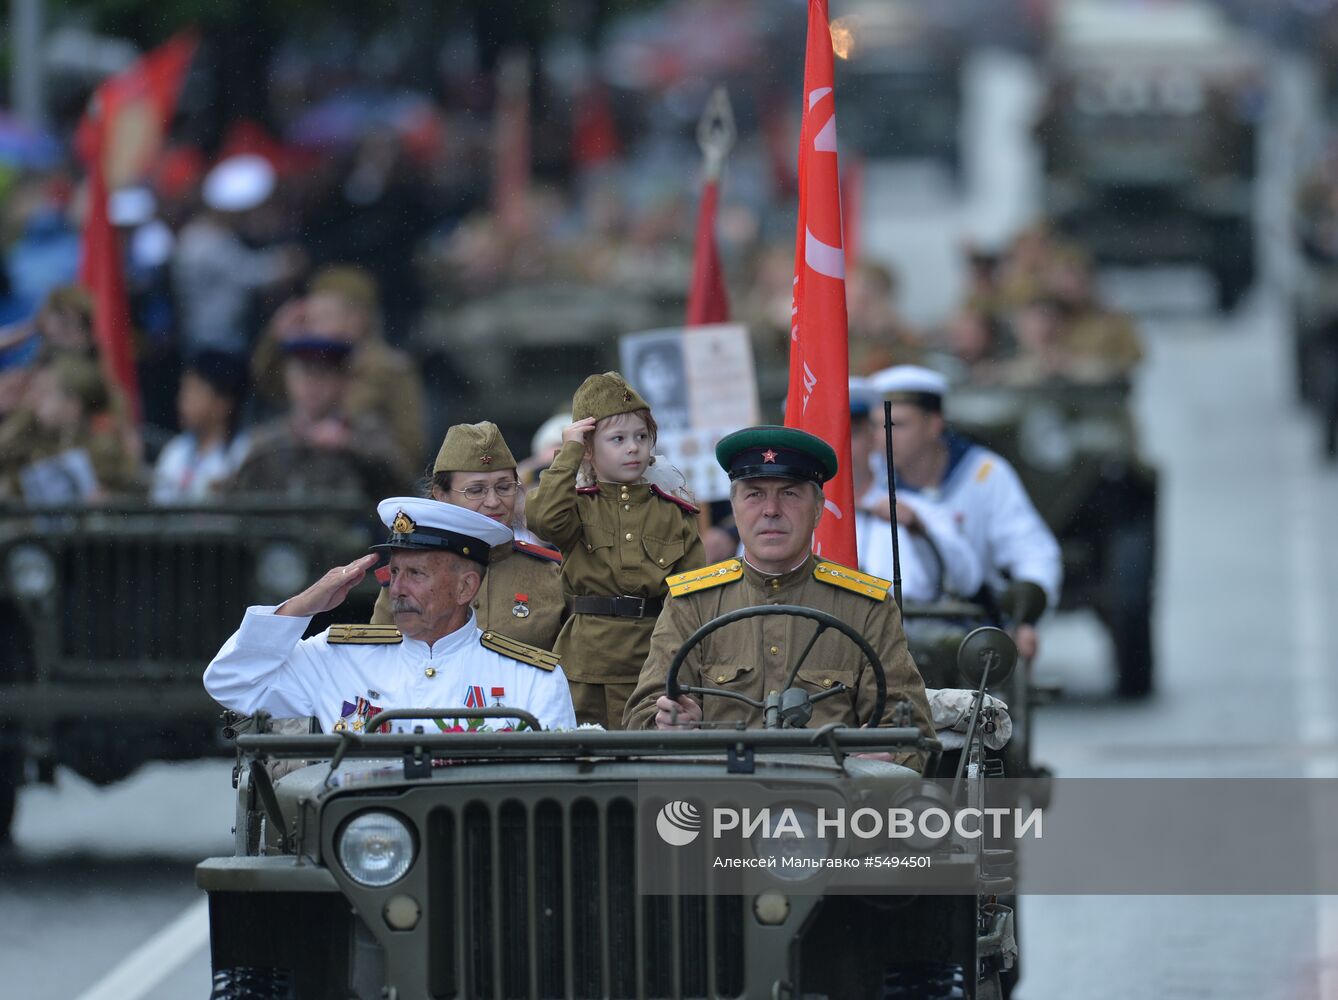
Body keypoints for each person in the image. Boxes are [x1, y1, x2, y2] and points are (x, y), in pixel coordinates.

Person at [621, 426, 935, 769]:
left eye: (789, 494)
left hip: (832, 807)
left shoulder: (866, 607)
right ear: (735, 508)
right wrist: (669, 721)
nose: (771, 510)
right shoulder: (692, 602)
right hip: (716, 803)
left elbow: (911, 730)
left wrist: (886, 752)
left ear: (817, 509)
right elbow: (642, 716)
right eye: (754, 494)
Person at [204, 497, 577, 734]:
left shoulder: (531, 678)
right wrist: (303, 606)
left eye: (416, 574)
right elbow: (231, 682)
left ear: (466, 588)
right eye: (395, 572)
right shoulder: (339, 658)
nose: (396, 588)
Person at [527, 372, 706, 729]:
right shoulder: (577, 506)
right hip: (585, 666)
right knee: (583, 764)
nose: (633, 447)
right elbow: (542, 518)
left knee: (648, 769)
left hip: (652, 662)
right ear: (591, 449)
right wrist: (571, 452)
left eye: (642, 437)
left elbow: (695, 593)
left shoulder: (673, 511)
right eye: (618, 438)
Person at [867, 365, 1062, 660]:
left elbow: (1033, 552)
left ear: (934, 425)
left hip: (971, 627)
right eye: (877, 426)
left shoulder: (985, 475)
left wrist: (1025, 619)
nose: (883, 438)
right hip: (883, 628)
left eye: (896, 426)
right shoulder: (867, 477)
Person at [368, 421, 565, 650]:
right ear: (441, 495)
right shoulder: (407, 575)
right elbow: (381, 664)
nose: (493, 502)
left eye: (504, 487)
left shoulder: (552, 574)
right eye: (476, 490)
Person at [227, 334, 412, 500]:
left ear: (342, 381)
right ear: (287, 378)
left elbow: (402, 480)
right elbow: (237, 497)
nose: (313, 385)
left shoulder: (366, 432)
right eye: (304, 373)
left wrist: (349, 444)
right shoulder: (266, 441)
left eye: (323, 374)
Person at [846, 383, 982, 601]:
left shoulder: (920, 511)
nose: (838, 443)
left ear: (874, 439)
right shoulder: (791, 513)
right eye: (825, 432)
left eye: (852, 433)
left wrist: (918, 529)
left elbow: (967, 581)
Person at [151, 350, 251, 502]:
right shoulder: (174, 451)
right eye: (184, 389)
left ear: (223, 403)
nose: (183, 400)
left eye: (195, 391)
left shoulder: (244, 453)